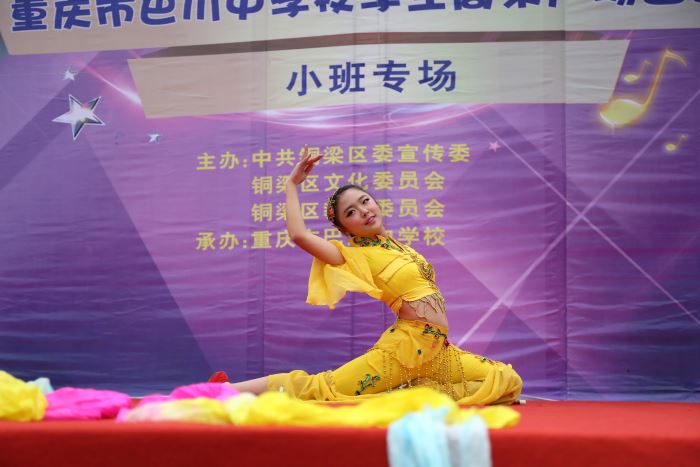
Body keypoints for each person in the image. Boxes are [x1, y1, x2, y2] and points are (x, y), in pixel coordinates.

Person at [216, 147, 523, 404]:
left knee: (506, 380)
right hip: (401, 351)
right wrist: (291, 185)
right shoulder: (354, 255)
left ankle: (408, 393)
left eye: (364, 201)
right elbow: (299, 235)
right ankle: (226, 390)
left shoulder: (403, 248)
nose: (363, 211)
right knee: (322, 388)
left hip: (439, 352)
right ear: (345, 229)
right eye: (350, 212)